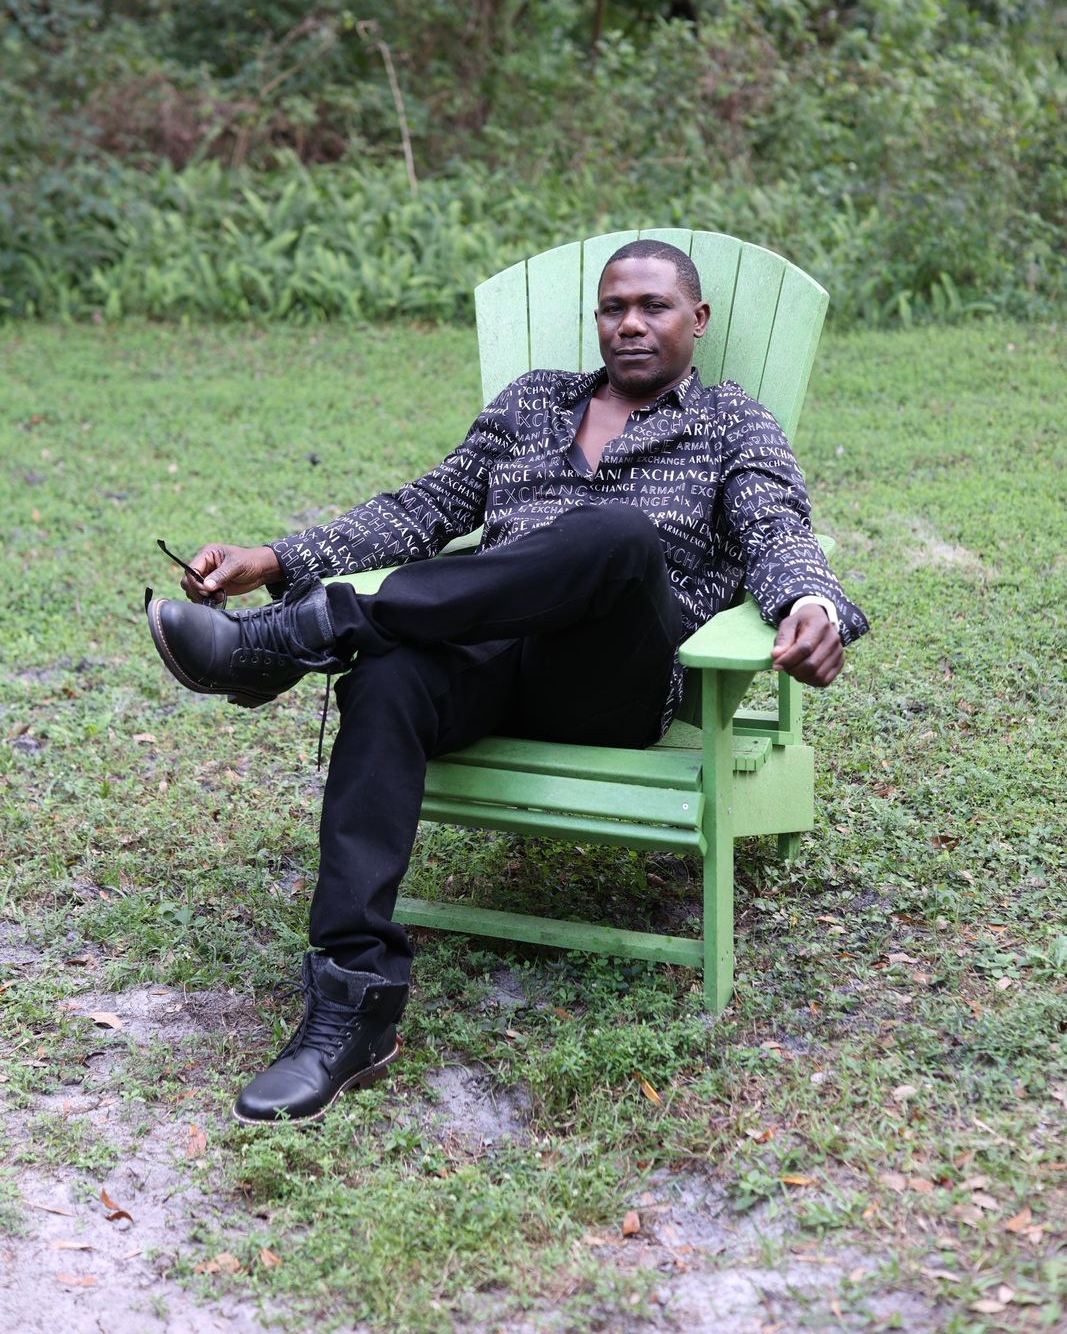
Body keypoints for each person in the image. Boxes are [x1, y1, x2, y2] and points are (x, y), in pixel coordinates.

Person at [146, 240, 868, 1125]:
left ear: (698, 319)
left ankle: (303, 636)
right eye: (613, 307)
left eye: (652, 306)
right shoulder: (532, 403)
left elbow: (778, 528)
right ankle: (352, 1007)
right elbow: (424, 508)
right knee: (389, 675)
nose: (630, 323)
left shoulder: (730, 422)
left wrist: (813, 604)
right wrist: (273, 557)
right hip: (487, 659)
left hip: (608, 682)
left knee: (615, 534)